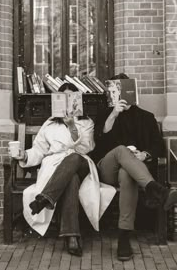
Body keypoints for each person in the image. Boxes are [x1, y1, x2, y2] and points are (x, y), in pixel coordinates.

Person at [10, 83, 115, 256]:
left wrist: (72, 126)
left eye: (71, 97)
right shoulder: (49, 124)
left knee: (72, 158)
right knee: (70, 179)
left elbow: (86, 148)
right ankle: (71, 236)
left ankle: (46, 197)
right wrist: (24, 156)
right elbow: (39, 150)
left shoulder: (86, 122)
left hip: (80, 163)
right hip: (57, 168)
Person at [90, 73, 177, 261]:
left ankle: (124, 238)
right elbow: (99, 141)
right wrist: (114, 114)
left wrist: (144, 155)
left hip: (131, 172)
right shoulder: (105, 114)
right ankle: (155, 189)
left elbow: (157, 145)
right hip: (106, 169)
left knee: (127, 173)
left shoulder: (146, 117)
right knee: (122, 151)